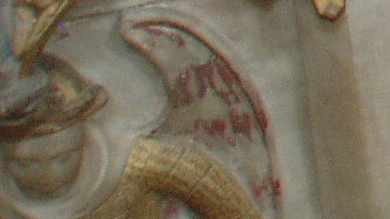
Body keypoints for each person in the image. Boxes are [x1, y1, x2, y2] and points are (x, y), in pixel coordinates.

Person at [0, 56, 264, 219]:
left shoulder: (137, 164)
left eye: (63, 158)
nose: (48, 177)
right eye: (24, 164)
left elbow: (233, 208)